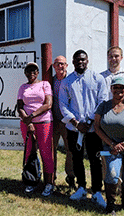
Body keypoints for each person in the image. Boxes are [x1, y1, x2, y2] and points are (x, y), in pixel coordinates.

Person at [59, 49, 108, 208]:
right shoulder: (67, 82)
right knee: (76, 158)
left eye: (83, 60)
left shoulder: (98, 78)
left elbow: (103, 100)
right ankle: (81, 187)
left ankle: (96, 191)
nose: (80, 62)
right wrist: (75, 123)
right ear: (73, 62)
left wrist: (90, 120)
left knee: (95, 160)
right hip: (74, 129)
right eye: (77, 60)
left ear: (87, 61)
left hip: (94, 128)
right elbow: (63, 104)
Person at [94, 77, 124, 214]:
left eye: (121, 87)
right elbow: (97, 127)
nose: (118, 90)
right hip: (110, 148)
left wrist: (123, 145)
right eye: (115, 87)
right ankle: (110, 206)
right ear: (111, 89)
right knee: (112, 174)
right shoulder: (103, 106)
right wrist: (112, 144)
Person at [17, 62, 54, 196]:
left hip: (44, 123)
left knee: (46, 153)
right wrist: (28, 122)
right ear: (25, 73)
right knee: (29, 152)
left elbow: (48, 104)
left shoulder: (45, 84)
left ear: (37, 72)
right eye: (28, 71)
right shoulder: (23, 87)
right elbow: (19, 107)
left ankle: (49, 184)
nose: (31, 73)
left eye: (34, 70)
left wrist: (31, 116)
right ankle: (31, 181)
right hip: (27, 124)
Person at [51, 55, 75, 189]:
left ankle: (70, 177)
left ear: (66, 66)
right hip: (53, 121)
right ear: (54, 66)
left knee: (70, 150)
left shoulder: (71, 80)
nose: (60, 66)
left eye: (62, 64)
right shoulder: (51, 80)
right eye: (57, 64)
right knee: (52, 149)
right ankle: (51, 177)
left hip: (68, 122)